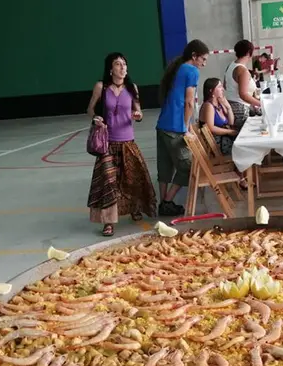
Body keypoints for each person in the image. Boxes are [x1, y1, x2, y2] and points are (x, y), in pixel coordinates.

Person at [87, 53, 157, 236]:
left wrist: (138, 115)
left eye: (124, 64)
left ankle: (134, 207)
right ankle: (109, 222)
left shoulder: (132, 88)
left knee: (132, 177)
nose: (122, 67)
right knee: (108, 183)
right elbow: (90, 109)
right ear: (111, 69)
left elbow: (138, 110)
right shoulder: (101, 87)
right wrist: (95, 118)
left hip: (128, 141)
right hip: (108, 143)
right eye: (118, 64)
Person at [156, 39, 209, 216]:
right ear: (194, 56)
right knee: (188, 167)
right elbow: (189, 102)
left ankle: (163, 203)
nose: (204, 63)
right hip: (175, 128)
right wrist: (186, 127)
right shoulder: (191, 71)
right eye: (203, 59)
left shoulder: (176, 68)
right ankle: (168, 200)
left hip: (162, 124)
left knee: (164, 167)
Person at [225, 40, 262, 131]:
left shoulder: (230, 66)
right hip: (240, 110)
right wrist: (261, 103)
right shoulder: (243, 71)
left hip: (230, 106)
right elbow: (243, 94)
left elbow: (225, 85)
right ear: (249, 53)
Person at [199, 78, 238, 155]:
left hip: (224, 139)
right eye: (219, 87)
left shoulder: (219, 104)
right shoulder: (208, 106)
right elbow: (210, 128)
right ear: (211, 90)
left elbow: (231, 122)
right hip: (215, 143)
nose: (223, 89)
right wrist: (229, 132)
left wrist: (228, 107)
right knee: (242, 148)